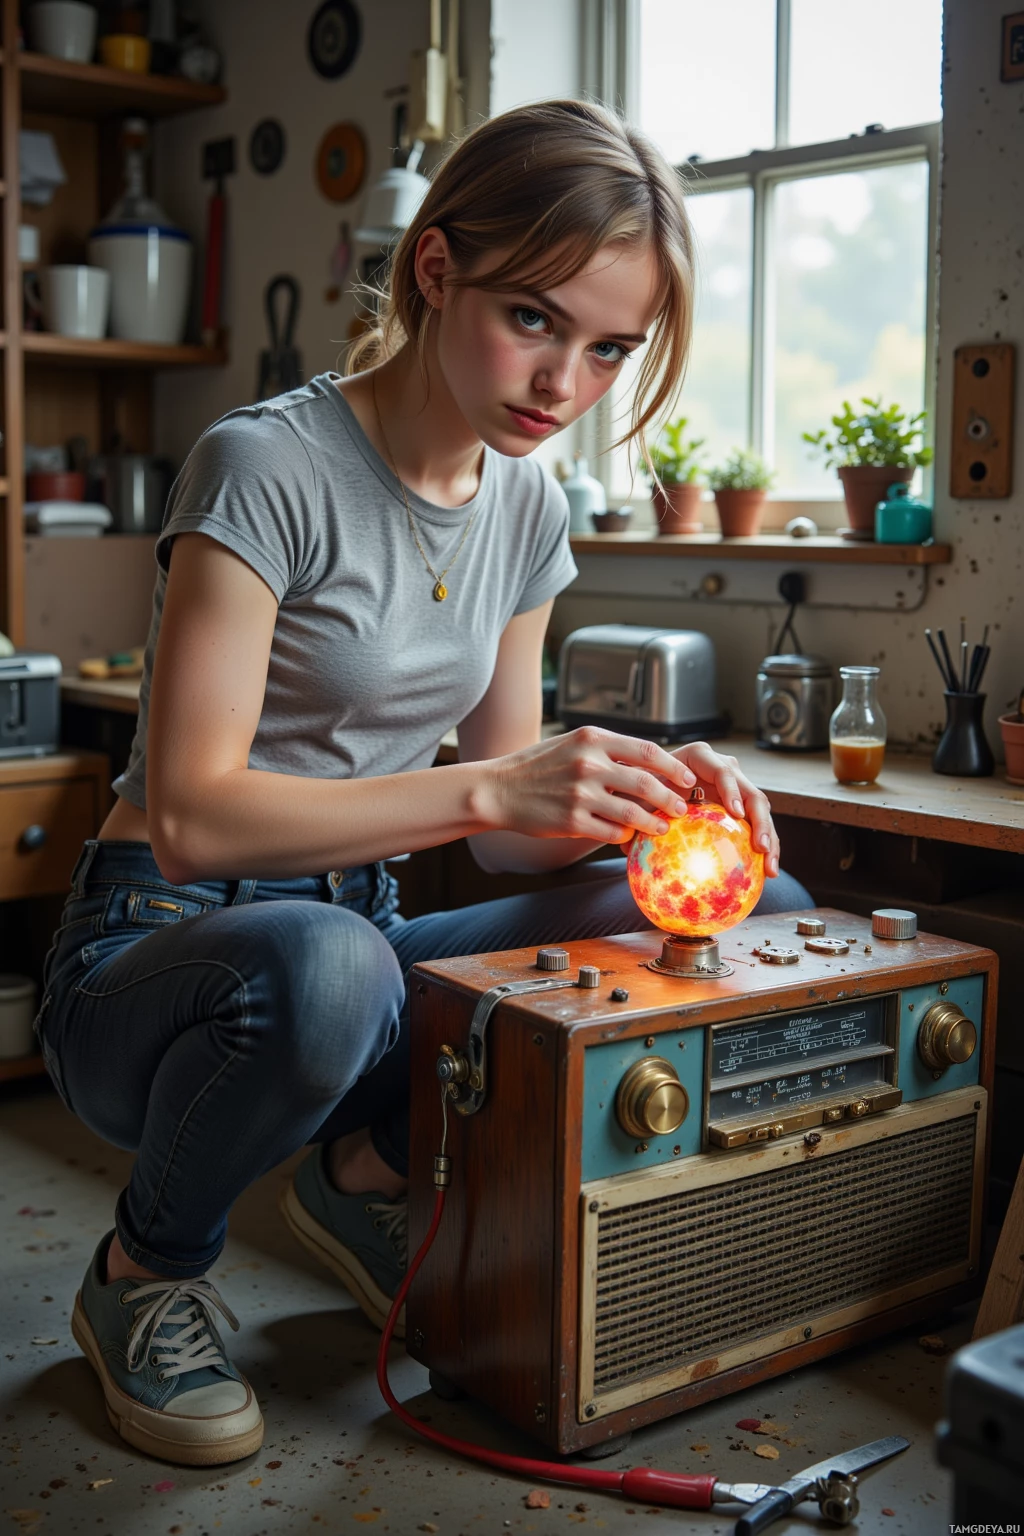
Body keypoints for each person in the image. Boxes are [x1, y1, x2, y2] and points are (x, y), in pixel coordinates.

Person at [35, 99, 811, 1468]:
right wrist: (487, 794)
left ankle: (367, 1172)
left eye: (609, 348)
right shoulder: (266, 464)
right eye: (535, 318)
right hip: (154, 951)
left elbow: (513, 841)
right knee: (329, 968)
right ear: (437, 270)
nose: (565, 381)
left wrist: (649, 802)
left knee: (730, 907)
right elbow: (198, 807)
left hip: (364, 948)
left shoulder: (525, 506)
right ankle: (141, 1278)